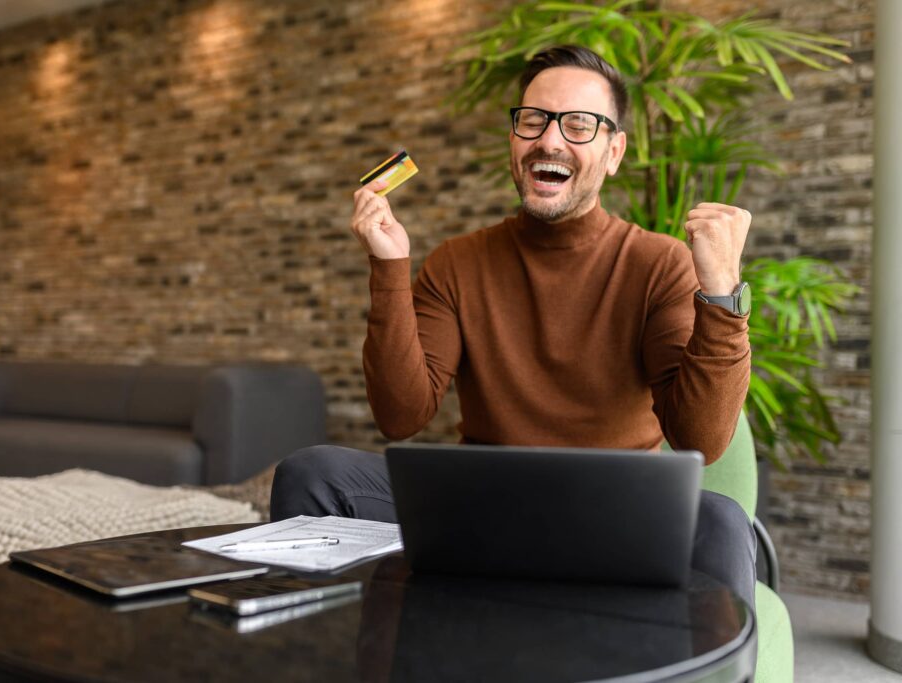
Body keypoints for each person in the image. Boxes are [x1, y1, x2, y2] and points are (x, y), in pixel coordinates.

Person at [271, 45, 756, 608]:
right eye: (534, 120)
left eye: (579, 125)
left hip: (613, 512)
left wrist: (721, 295)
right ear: (515, 139)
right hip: (484, 500)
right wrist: (388, 266)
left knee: (719, 521)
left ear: (614, 150)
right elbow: (400, 415)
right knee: (313, 473)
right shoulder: (457, 262)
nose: (550, 140)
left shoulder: (659, 263)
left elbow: (699, 439)